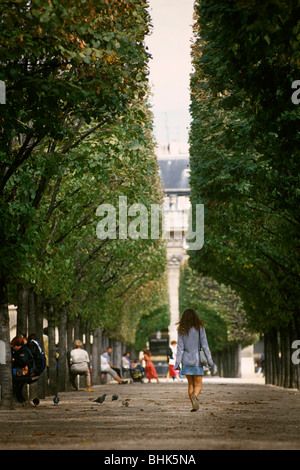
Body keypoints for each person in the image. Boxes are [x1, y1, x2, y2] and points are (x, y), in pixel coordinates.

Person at [175, 308, 213, 412]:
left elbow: (179, 348)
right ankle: (195, 397)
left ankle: (193, 405)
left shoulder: (181, 329)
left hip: (186, 360)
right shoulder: (200, 328)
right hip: (197, 360)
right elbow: (205, 345)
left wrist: (177, 363)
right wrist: (209, 360)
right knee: (198, 385)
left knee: (190, 384)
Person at [11, 335, 37, 404]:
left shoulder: (23, 351)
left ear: (18, 345)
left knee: (17, 386)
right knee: (18, 386)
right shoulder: (23, 350)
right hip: (26, 371)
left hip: (25, 372)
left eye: (14, 346)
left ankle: (20, 400)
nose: (13, 348)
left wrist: (14, 360)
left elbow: (23, 362)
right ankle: (21, 400)